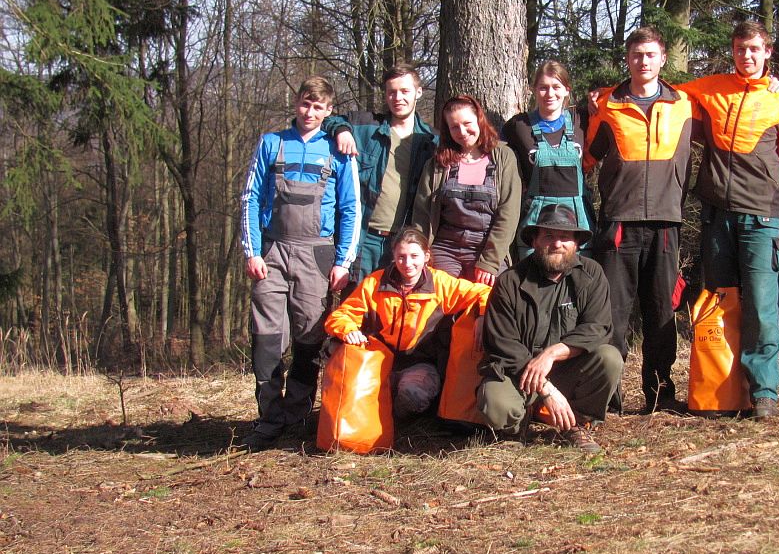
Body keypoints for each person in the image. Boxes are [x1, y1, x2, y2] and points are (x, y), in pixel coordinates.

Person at [682, 20, 779, 418]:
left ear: (767, 52)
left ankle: (764, 391)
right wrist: (606, 95)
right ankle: (723, 390)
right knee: (721, 303)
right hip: (717, 215)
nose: (746, 56)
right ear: (732, 51)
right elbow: (661, 92)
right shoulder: (712, 88)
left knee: (759, 305)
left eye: (754, 49)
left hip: (762, 218)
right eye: (740, 48)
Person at [239, 76, 361, 451]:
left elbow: (351, 208)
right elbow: (250, 198)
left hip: (317, 254)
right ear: (296, 103)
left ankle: (297, 415)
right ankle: (269, 418)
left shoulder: (338, 151)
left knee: (310, 338)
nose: (310, 112)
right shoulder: (271, 143)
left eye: (318, 107)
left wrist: (343, 261)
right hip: (272, 251)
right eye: (305, 104)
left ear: (328, 111)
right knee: (267, 338)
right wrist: (252, 252)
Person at [583, 26, 694, 413]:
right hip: (618, 222)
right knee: (612, 314)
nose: (643, 61)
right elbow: (586, 157)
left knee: (662, 312)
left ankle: (661, 394)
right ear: (627, 59)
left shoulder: (685, 103)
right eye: (636, 55)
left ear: (662, 58)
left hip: (665, 222)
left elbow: (732, 95)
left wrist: (771, 83)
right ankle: (608, 397)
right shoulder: (607, 105)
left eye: (650, 55)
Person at [478, 204, 623, 453]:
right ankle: (519, 424)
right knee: (495, 403)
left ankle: (577, 423)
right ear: (534, 241)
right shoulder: (509, 281)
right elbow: (502, 342)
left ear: (576, 243)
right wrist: (545, 388)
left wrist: (552, 353)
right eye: (548, 236)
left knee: (609, 358)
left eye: (565, 237)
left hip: (568, 371)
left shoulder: (592, 274)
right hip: (520, 373)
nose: (557, 244)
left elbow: (598, 327)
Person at [324, 227, 491, 422]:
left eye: (414, 256)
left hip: (420, 364)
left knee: (412, 397)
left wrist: (482, 315)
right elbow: (340, 315)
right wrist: (348, 330)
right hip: (378, 360)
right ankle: (376, 413)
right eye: (401, 257)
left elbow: (484, 291)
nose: (408, 263)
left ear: (426, 256)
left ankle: (393, 418)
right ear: (393, 256)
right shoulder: (375, 282)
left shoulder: (440, 283)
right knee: (353, 384)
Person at [322, 63, 438, 285]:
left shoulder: (431, 141)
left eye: (405, 91)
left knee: (397, 304)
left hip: (405, 245)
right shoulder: (365, 127)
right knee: (356, 301)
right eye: (391, 92)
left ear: (418, 92)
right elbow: (326, 119)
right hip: (365, 239)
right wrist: (342, 131)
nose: (398, 98)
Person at [412, 94, 521, 286]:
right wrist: (419, 253)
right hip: (445, 248)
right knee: (438, 295)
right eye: (454, 127)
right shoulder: (438, 163)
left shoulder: (504, 157)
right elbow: (421, 214)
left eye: (467, 123)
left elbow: (509, 214)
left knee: (490, 300)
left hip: (487, 248)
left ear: (479, 120)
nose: (462, 132)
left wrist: (490, 262)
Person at [502, 61, 594, 255]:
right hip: (535, 220)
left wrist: (598, 96)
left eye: (556, 87)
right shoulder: (518, 126)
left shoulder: (581, 120)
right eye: (543, 87)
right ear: (534, 90)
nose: (550, 93)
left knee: (578, 270)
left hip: (578, 219)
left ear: (567, 90)